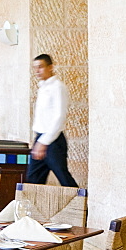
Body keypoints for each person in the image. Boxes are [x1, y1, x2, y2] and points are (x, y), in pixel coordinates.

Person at [26, 54, 78, 187]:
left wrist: (43, 142)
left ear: (50, 67)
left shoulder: (58, 87)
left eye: (41, 67)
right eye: (35, 68)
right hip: (40, 139)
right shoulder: (43, 87)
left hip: (53, 142)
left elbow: (59, 116)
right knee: (33, 181)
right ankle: (29, 208)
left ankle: (83, 207)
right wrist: (38, 140)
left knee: (64, 179)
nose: (37, 71)